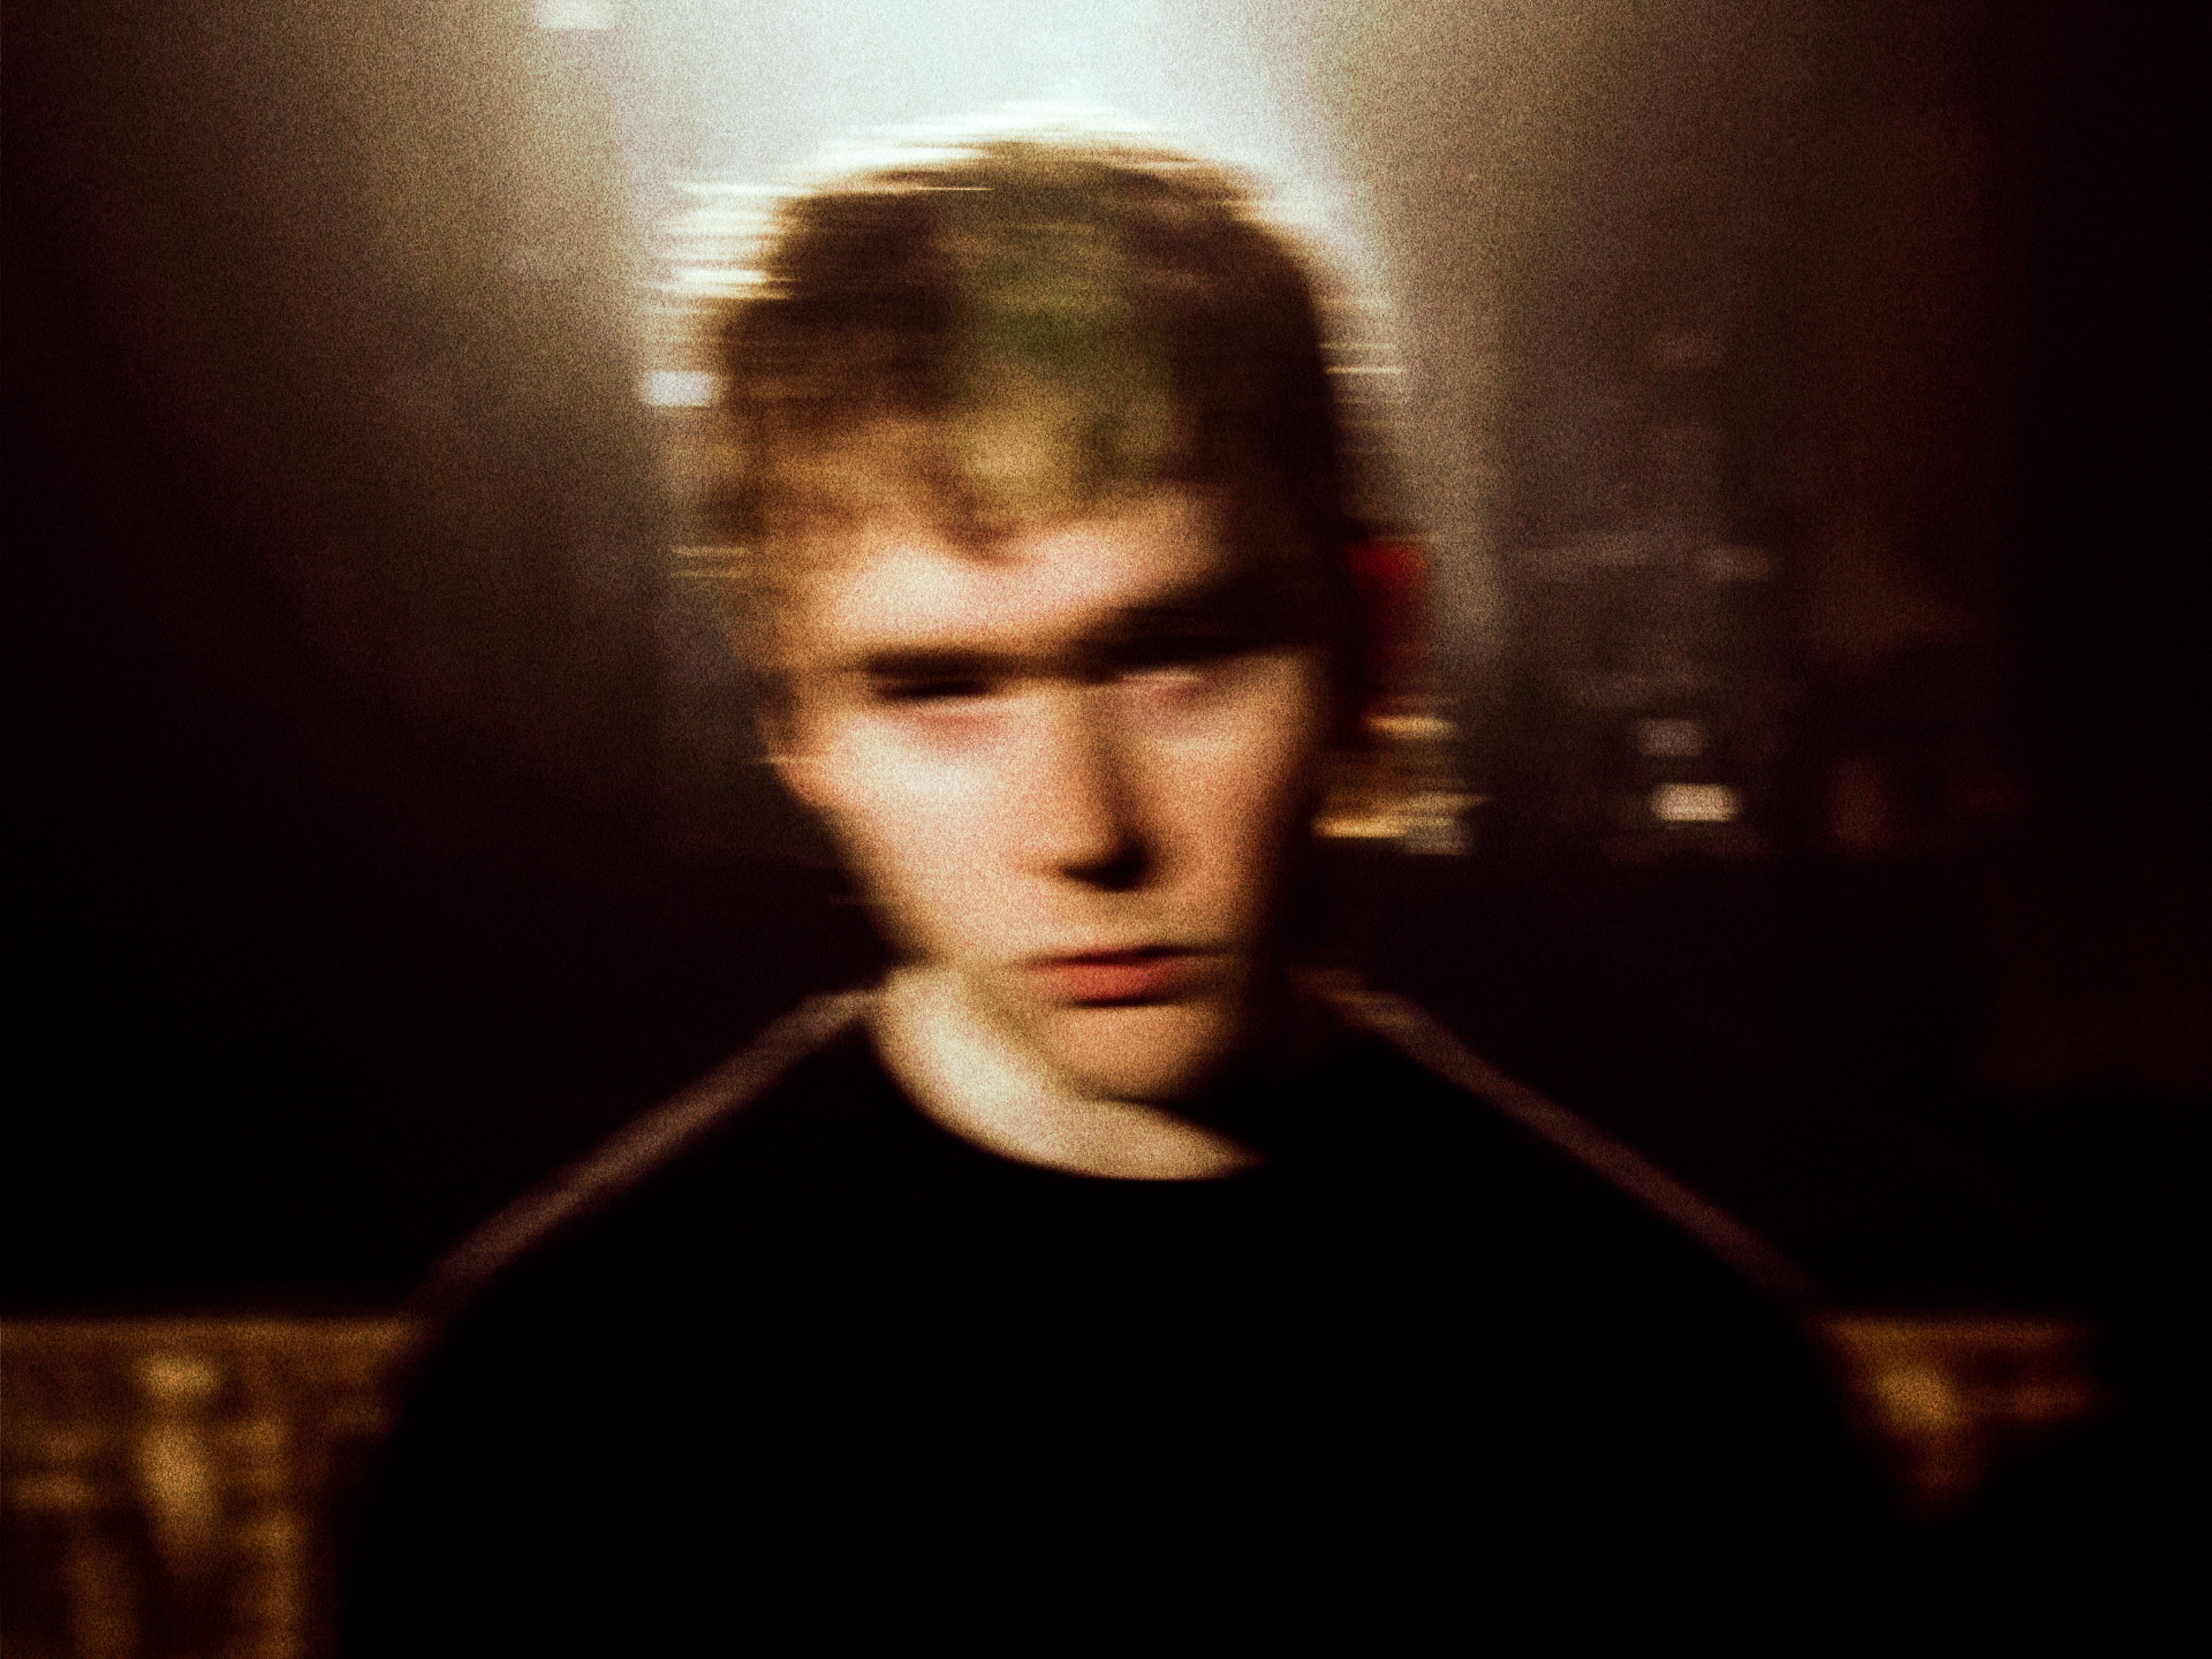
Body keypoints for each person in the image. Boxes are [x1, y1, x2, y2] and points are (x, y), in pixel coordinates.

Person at [341, 128, 1898, 1655]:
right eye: (939, 689)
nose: (1084, 830)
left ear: (1376, 643)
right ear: (792, 719)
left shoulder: (1684, 1389)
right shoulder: (552, 1404)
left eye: (1179, 658)